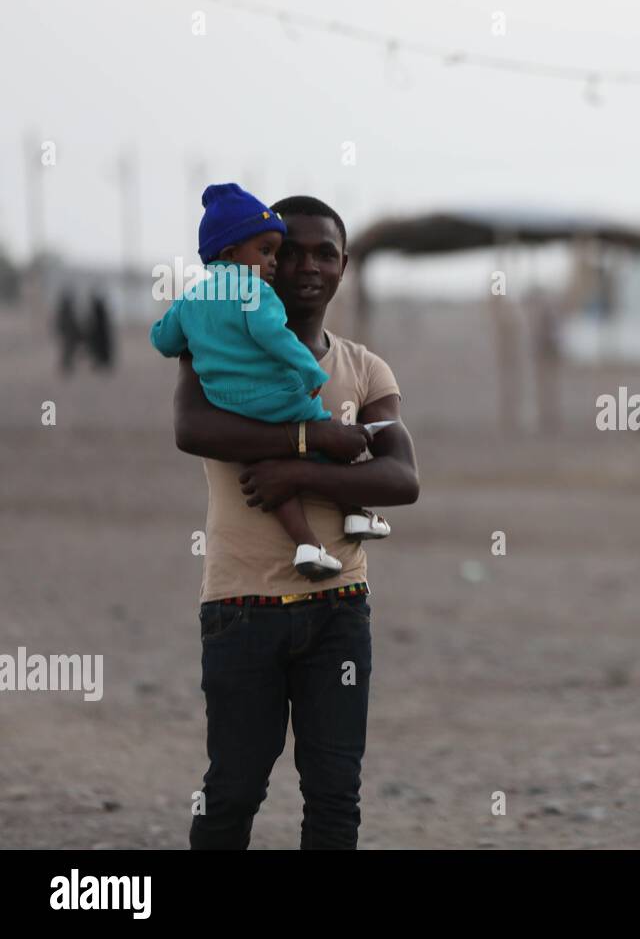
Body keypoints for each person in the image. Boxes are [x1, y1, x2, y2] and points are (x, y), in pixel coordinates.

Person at [170, 195, 420, 849]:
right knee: (234, 789)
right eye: (290, 251)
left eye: (325, 253)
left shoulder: (365, 369)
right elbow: (193, 429)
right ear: (263, 259)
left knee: (335, 795)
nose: (307, 265)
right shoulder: (214, 339)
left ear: (344, 266)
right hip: (241, 607)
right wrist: (313, 439)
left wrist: (297, 473)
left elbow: (401, 477)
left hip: (340, 610)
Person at [153, 183, 390, 579]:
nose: (277, 264)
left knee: (265, 464)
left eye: (324, 254)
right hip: (237, 594)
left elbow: (162, 338)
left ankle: (305, 544)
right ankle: (353, 512)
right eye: (272, 252)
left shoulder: (191, 301)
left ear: (343, 264)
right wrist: (312, 381)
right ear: (231, 252)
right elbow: (275, 337)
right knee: (330, 433)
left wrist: (190, 340)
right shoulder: (254, 291)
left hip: (228, 402)